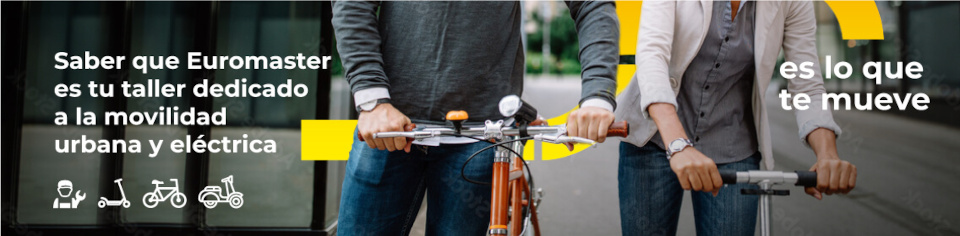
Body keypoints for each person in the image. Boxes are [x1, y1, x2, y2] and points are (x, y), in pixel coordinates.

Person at [332, 1, 620, 235]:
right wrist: (373, 100)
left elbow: (592, 5)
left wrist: (597, 97)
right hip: (389, 127)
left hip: (482, 135)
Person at [614, 1, 858, 235]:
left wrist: (828, 156)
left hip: (732, 144)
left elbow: (806, 84)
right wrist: (678, 144)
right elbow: (652, 55)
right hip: (656, 135)